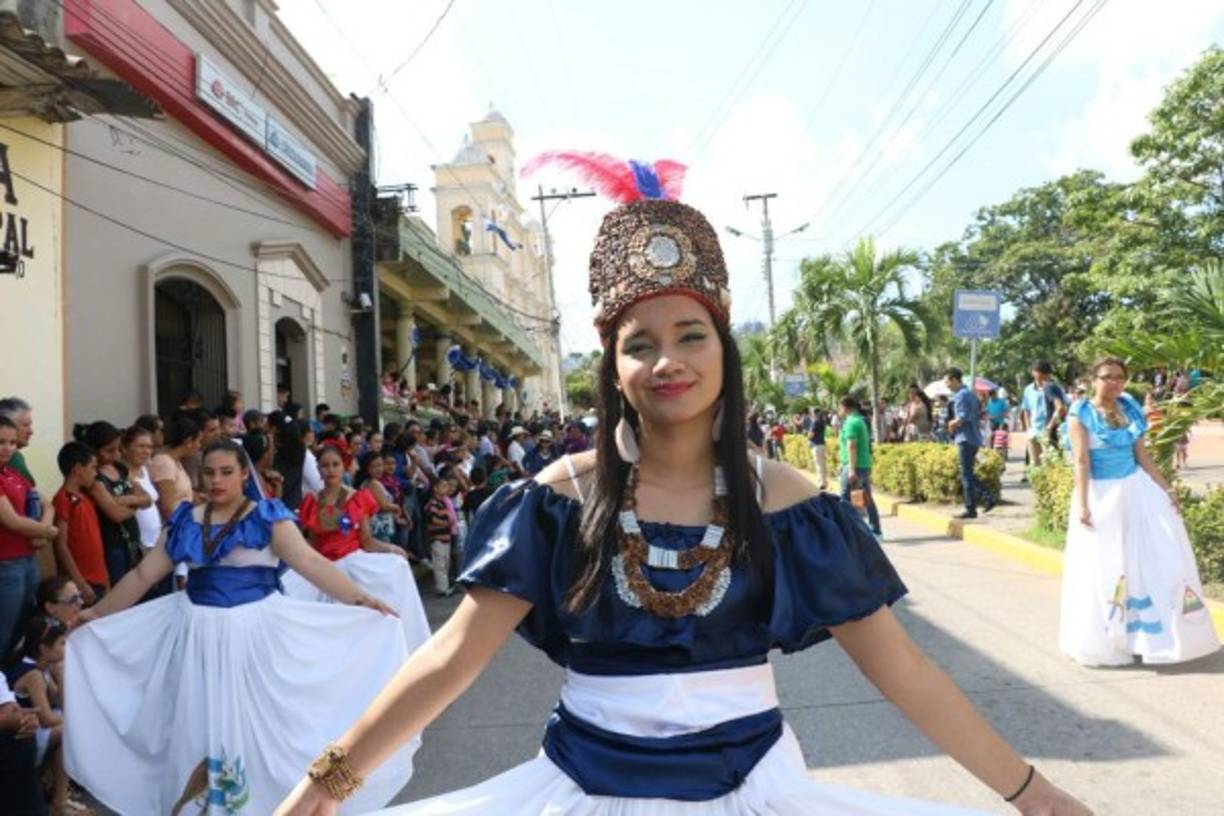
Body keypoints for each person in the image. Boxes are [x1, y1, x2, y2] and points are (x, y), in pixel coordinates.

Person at [276, 155, 1087, 815]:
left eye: (691, 335)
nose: (668, 361)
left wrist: (1033, 794)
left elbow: (902, 669)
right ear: (614, 368)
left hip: (758, 795)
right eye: (641, 344)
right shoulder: (559, 500)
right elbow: (452, 659)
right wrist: (327, 782)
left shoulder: (791, 507)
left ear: (724, 348)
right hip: (576, 795)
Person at [64, 439, 414, 814]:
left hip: (254, 636)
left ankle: (267, 803)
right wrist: (96, 614)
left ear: (244, 474)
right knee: (196, 723)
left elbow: (310, 563)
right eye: (210, 473)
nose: (217, 480)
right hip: (196, 636)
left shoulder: (266, 517)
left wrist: (361, 600)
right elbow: (142, 574)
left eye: (227, 472)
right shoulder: (185, 520)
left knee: (258, 722)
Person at [1059, 358, 1219, 667]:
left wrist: (1165, 489)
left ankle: (1145, 637)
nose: (1115, 383)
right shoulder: (1081, 414)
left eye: (1120, 378)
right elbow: (1081, 461)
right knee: (1106, 565)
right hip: (1101, 495)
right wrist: (1083, 504)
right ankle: (1110, 636)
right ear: (1094, 379)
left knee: (1151, 560)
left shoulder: (1129, 408)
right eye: (1107, 377)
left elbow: (1142, 457)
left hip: (1137, 492)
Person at [283, 446, 430, 660]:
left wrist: (391, 548)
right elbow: (312, 544)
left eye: (335, 464)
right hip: (323, 566)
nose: (330, 470)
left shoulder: (357, 498)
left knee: (395, 571)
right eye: (325, 465)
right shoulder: (311, 501)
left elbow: (367, 541)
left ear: (343, 467)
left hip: (352, 563)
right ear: (318, 469)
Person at [0, 417, 57, 656]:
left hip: (27, 561)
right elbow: (11, 521)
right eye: (1, 441)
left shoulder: (14, 473)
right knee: (3, 633)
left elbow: (47, 505)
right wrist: (46, 531)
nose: (8, 448)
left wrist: (41, 534)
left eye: (12, 442)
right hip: (6, 565)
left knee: (21, 630)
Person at [5, 615, 67, 813]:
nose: (66, 648)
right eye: (62, 643)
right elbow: (47, 719)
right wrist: (78, 720)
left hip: (32, 730)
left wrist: (61, 675)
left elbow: (61, 703)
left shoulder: (44, 668)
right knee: (70, 731)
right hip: (22, 734)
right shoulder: (33, 675)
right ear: (43, 649)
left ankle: (49, 783)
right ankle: (60, 799)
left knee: (68, 722)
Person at [80, 421, 152, 587]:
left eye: (118, 450)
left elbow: (147, 498)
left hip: (134, 541)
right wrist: (136, 504)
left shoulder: (119, 468)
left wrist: (126, 500)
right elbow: (116, 515)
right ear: (94, 450)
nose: (116, 455)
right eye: (109, 451)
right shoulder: (95, 479)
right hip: (115, 546)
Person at [51, 441, 108, 604]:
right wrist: (80, 584)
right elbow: (61, 545)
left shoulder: (85, 499)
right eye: (92, 467)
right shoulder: (63, 500)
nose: (95, 473)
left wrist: (105, 578)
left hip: (98, 580)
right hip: (82, 583)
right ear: (77, 468)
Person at [945, 368, 998, 520]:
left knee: (966, 475)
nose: (947, 385)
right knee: (968, 474)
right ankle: (979, 502)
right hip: (974, 437)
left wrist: (951, 424)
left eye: (948, 381)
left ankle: (979, 503)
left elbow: (962, 417)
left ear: (955, 379)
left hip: (965, 438)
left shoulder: (961, 396)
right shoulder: (971, 394)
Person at [838, 396, 883, 536]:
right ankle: (875, 530)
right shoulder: (860, 420)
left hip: (855, 466)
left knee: (845, 500)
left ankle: (852, 533)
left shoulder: (851, 422)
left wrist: (850, 468)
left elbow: (852, 446)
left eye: (839, 407)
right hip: (863, 464)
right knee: (865, 498)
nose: (839, 410)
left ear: (844, 407)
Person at [148, 416, 202, 521]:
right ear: (189, 441)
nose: (199, 445)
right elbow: (167, 507)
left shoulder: (176, 462)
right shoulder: (164, 463)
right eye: (198, 441)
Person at [1020, 361, 1068, 470]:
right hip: (1034, 429)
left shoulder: (1053, 387)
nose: (1041, 378)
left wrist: (1050, 427)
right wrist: (1028, 428)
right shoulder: (1028, 390)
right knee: (1035, 464)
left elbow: (1062, 407)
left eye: (1044, 375)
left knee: (1050, 463)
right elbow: (1026, 409)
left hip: (1050, 430)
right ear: (1033, 373)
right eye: (1038, 375)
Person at [423, 472, 457, 596]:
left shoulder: (443, 503)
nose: (446, 489)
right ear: (435, 488)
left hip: (445, 537)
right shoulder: (432, 504)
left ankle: (445, 586)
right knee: (440, 564)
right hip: (437, 538)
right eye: (443, 486)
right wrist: (448, 523)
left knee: (445, 563)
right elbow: (433, 520)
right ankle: (442, 589)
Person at [807, 408, 829, 489]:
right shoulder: (822, 422)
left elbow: (811, 434)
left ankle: (821, 483)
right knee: (822, 464)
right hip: (822, 444)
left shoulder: (815, 422)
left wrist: (808, 438)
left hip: (816, 445)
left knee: (818, 465)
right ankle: (824, 481)